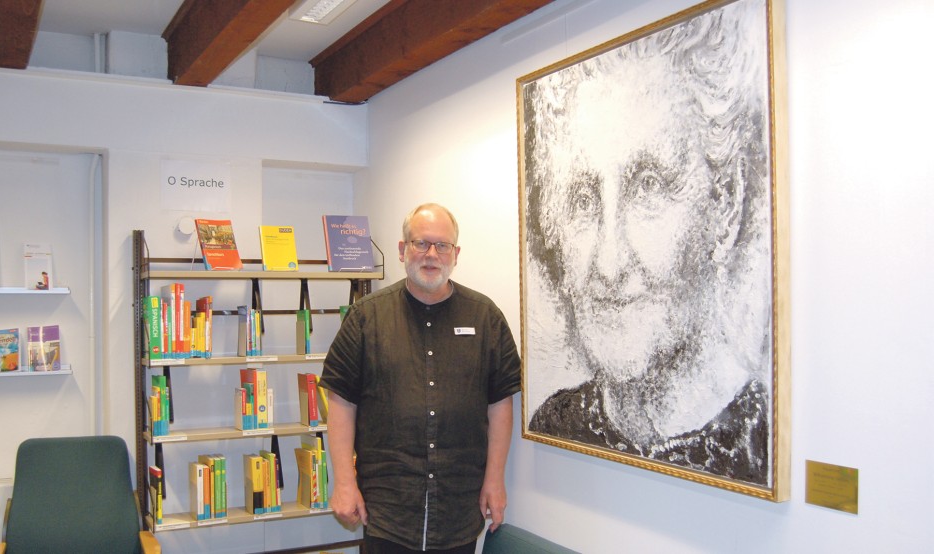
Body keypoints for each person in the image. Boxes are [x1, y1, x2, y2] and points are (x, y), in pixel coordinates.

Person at [522, 0, 773, 486]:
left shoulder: (756, 445)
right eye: (582, 198)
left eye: (650, 186)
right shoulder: (556, 423)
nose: (610, 264)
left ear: (725, 203)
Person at [320, 203, 521, 553]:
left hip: (458, 509)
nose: (432, 254)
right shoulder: (366, 318)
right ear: (402, 250)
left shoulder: (485, 316)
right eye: (421, 243)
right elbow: (341, 401)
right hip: (387, 511)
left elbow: (500, 403)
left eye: (442, 245)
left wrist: (495, 479)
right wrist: (344, 482)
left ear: (455, 254)